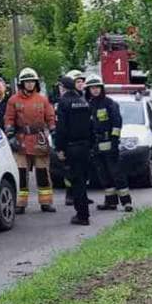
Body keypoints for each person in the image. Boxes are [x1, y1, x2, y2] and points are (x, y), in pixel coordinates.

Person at [3, 68, 57, 213]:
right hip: (21, 140)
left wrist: (53, 130)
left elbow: (50, 117)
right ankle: (20, 203)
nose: (29, 84)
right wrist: (10, 134)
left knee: (42, 172)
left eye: (32, 81)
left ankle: (46, 202)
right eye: (26, 82)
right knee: (20, 172)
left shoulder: (42, 99)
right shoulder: (13, 100)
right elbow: (8, 118)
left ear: (36, 83)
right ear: (22, 84)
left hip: (39, 139)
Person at [87, 74, 132, 213]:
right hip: (96, 145)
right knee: (103, 174)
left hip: (109, 143)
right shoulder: (89, 105)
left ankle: (126, 203)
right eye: (92, 88)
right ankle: (110, 202)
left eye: (97, 87)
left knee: (116, 173)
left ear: (101, 88)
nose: (94, 90)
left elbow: (117, 123)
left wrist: (114, 141)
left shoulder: (110, 103)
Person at [54, 73, 93, 226]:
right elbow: (91, 126)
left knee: (76, 182)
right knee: (82, 180)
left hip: (71, 147)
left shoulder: (63, 103)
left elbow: (61, 129)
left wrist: (59, 148)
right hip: (85, 146)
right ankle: (84, 213)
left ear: (63, 88)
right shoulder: (83, 102)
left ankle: (82, 215)